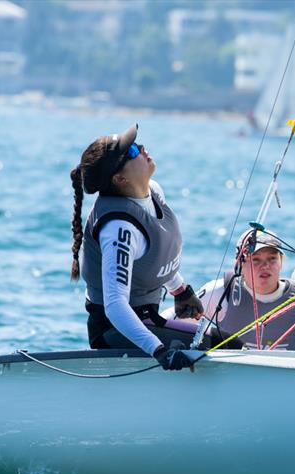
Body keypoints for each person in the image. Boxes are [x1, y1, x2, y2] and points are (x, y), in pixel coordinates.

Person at [68, 123, 204, 371]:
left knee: (222, 338)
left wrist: (180, 290)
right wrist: (159, 351)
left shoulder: (152, 192)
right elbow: (115, 305)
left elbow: (154, 254)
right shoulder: (119, 229)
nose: (141, 148)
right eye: (131, 151)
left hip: (147, 319)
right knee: (221, 342)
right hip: (116, 333)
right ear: (120, 179)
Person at [182, 229, 295, 351]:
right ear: (239, 264)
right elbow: (172, 322)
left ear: (281, 262)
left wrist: (291, 361)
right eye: (256, 260)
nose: (265, 266)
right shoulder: (218, 293)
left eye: (272, 258)